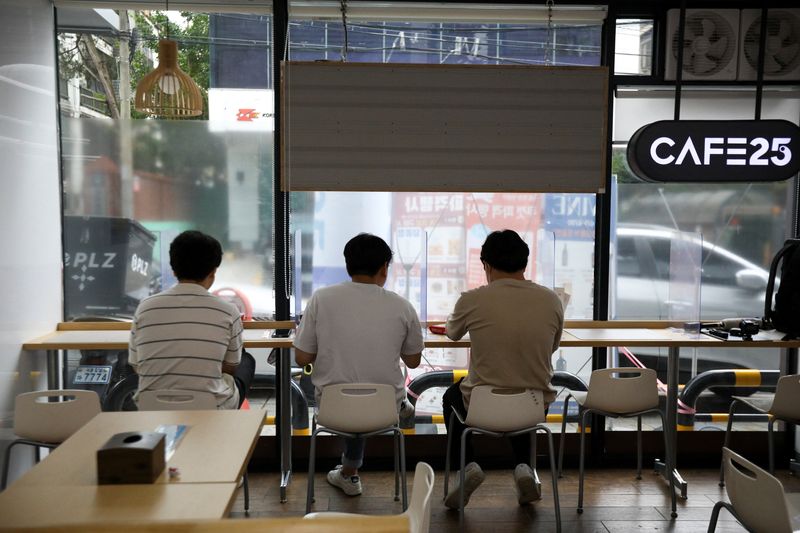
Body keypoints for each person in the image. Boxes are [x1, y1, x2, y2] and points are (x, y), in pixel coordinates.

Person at [293, 233, 424, 497]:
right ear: (384, 268)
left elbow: (302, 358)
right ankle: (351, 471)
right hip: (385, 409)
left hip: (333, 407)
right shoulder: (402, 306)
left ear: (348, 264)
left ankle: (349, 472)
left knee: (354, 391)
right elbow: (413, 360)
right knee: (388, 399)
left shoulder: (321, 299)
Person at [442, 229, 564, 509]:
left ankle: (467, 466)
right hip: (535, 405)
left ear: (486, 265)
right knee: (523, 386)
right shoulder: (551, 300)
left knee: (451, 397)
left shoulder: (472, 299)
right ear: (525, 263)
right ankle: (523, 468)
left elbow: (451, 333)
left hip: (482, 405)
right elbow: (552, 346)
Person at [129, 230, 255, 410]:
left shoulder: (145, 307)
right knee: (246, 360)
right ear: (213, 272)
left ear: (173, 270)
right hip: (210, 406)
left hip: (152, 406)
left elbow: (136, 365)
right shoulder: (228, 311)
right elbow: (230, 367)